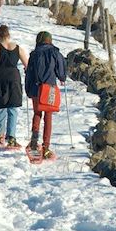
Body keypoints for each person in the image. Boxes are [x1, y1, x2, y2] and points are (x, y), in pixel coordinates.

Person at [0, 25, 29, 148]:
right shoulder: (18, 48)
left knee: (1, 106)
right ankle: (11, 137)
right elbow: (27, 64)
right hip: (14, 78)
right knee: (13, 107)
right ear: (8, 35)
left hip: (0, 78)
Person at [24, 31, 66, 159]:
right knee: (48, 116)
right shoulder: (55, 53)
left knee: (37, 113)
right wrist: (62, 77)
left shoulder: (34, 54)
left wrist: (28, 90)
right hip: (50, 88)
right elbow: (61, 72)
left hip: (36, 88)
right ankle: (46, 147)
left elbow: (29, 73)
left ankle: (33, 141)